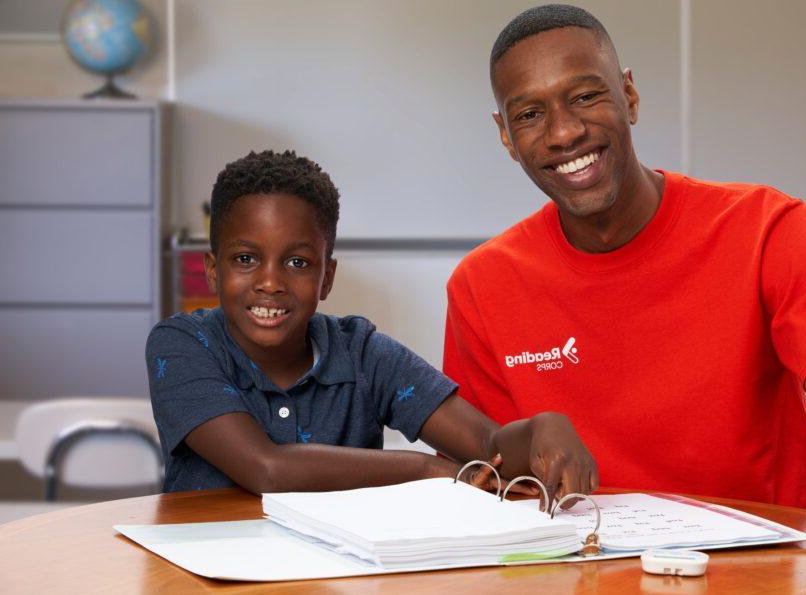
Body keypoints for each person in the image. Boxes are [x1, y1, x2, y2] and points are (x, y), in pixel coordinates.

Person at [442, 4, 806, 584]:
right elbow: (490, 472)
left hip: (781, 573)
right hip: (589, 578)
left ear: (630, 97)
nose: (565, 132)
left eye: (586, 97)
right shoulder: (482, 286)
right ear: (505, 136)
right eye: (529, 113)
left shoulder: (768, 228)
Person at [146, 149, 596, 501]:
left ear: (327, 277)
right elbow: (267, 469)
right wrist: (427, 469)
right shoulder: (182, 345)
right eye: (245, 259)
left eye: (298, 262)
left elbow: (487, 442)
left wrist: (540, 428)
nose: (269, 282)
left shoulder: (361, 352)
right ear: (211, 270)